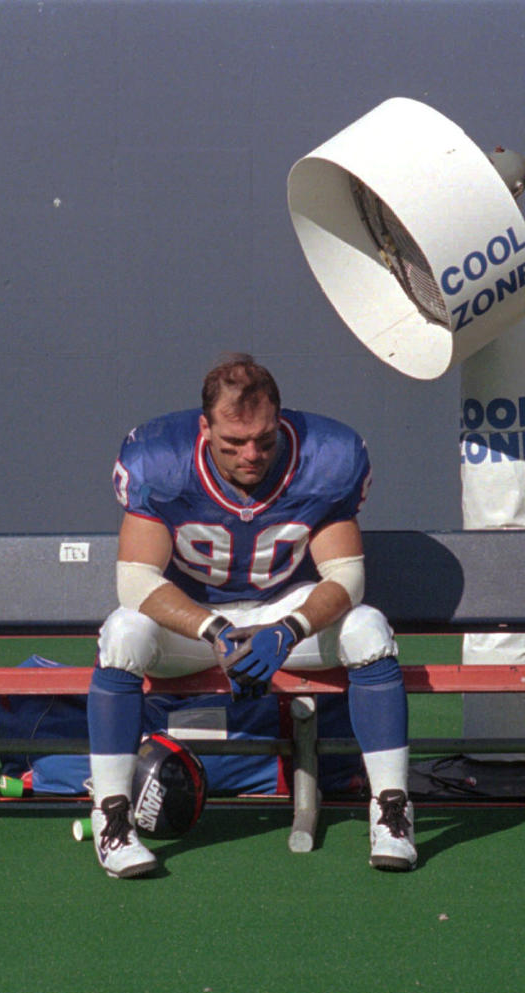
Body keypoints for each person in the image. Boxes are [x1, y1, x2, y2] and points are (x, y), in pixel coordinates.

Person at [89, 353, 415, 878]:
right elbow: (136, 582)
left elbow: (346, 577)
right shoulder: (161, 458)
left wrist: (288, 630)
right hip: (194, 624)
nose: (251, 454)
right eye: (233, 443)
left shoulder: (324, 458)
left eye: (265, 440)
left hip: (282, 613)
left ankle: (392, 810)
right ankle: (112, 820)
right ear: (204, 428)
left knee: (369, 628)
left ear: (280, 420)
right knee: (123, 634)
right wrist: (215, 630)